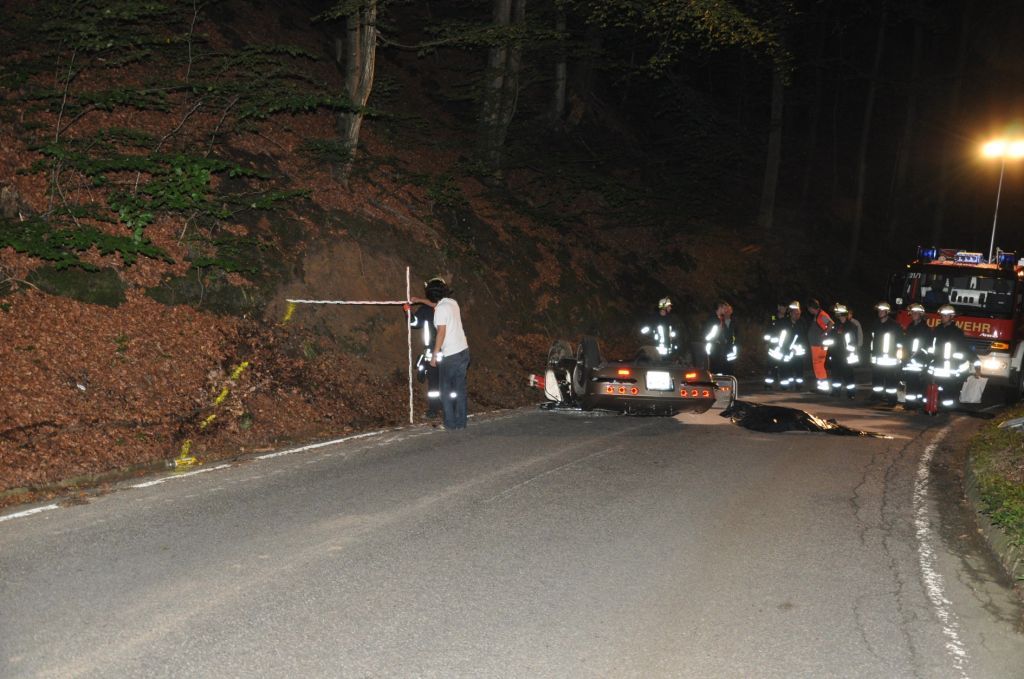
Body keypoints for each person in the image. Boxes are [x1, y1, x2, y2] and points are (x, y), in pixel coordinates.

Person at [429, 279, 470, 430]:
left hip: (451, 355)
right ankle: (461, 422)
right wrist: (419, 300)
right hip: (464, 351)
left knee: (445, 391)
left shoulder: (440, 309)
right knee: (460, 389)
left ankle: (450, 423)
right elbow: (437, 306)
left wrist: (434, 355)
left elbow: (441, 332)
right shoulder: (453, 303)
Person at [406, 277, 445, 419]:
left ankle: (445, 407)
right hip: (437, 353)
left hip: (444, 352)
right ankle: (436, 408)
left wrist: (413, 306)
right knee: (435, 383)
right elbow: (414, 323)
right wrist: (408, 313)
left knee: (441, 382)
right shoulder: (428, 309)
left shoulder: (446, 307)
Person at [927, 304, 975, 410]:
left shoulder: (957, 332)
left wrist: (975, 361)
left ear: (951, 317)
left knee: (949, 391)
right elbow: (931, 347)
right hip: (938, 366)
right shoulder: (937, 330)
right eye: (942, 315)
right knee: (938, 388)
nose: (942, 317)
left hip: (951, 369)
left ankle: (947, 409)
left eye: (945, 315)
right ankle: (936, 406)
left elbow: (964, 348)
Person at [869, 301, 904, 403]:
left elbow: (900, 342)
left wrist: (898, 358)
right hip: (878, 358)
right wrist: (872, 355)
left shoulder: (895, 325)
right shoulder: (875, 324)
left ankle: (891, 399)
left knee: (891, 381)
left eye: (882, 311)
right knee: (877, 379)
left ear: (887, 312)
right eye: (878, 311)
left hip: (891, 359)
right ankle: (876, 396)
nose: (879, 312)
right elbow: (872, 341)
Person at [901, 302, 933, 407]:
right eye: (913, 312)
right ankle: (910, 403)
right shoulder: (910, 327)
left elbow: (928, 346)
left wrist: (924, 359)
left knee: (919, 383)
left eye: (916, 313)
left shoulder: (925, 329)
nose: (914, 314)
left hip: (920, 361)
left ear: (921, 315)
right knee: (910, 382)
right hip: (909, 361)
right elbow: (906, 343)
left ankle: (918, 403)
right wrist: (904, 357)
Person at [829, 304, 862, 399]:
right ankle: (836, 391)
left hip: (847, 355)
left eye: (838, 313)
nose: (837, 315)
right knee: (835, 374)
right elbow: (832, 339)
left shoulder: (851, 326)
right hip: (836, 354)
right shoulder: (836, 326)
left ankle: (851, 393)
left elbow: (853, 341)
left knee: (848, 374)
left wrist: (851, 353)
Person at [805, 298, 835, 393]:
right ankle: (821, 386)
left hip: (818, 345)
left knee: (818, 365)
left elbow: (831, 323)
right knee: (818, 365)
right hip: (817, 344)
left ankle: (823, 387)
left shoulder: (821, 315)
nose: (808, 310)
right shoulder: (818, 315)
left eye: (808, 308)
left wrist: (824, 333)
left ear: (811, 307)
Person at [703, 301, 738, 374]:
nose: (725, 310)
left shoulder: (721, 320)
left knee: (723, 369)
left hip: (722, 349)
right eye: (724, 308)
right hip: (714, 349)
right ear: (720, 308)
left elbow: (728, 334)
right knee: (715, 369)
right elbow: (708, 336)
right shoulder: (713, 320)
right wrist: (714, 339)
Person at [779, 300, 807, 390]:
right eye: (795, 313)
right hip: (786, 349)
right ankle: (785, 385)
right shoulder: (784, 322)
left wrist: (801, 348)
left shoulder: (802, 323)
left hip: (798, 350)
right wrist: (785, 348)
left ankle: (798, 385)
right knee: (785, 367)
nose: (797, 315)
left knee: (799, 368)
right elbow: (782, 336)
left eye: (798, 313)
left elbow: (804, 337)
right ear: (790, 313)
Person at [763, 302, 790, 390]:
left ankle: (784, 385)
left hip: (784, 347)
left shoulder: (787, 319)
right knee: (770, 366)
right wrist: (766, 343)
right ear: (778, 307)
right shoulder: (772, 318)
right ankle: (768, 385)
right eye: (782, 307)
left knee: (784, 366)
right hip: (773, 346)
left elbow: (790, 333)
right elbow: (767, 331)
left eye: (785, 307)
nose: (784, 309)